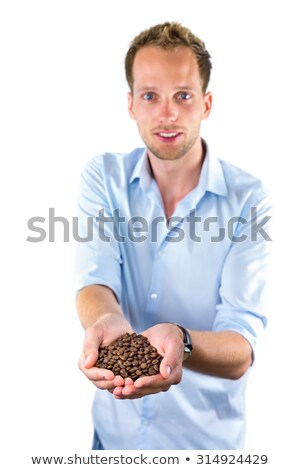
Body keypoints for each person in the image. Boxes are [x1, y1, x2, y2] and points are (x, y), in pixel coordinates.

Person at [75, 22, 272, 450]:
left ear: (207, 103)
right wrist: (107, 321)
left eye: (183, 96)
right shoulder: (103, 178)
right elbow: (95, 279)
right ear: (130, 104)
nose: (167, 114)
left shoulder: (248, 199)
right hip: (113, 440)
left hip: (204, 446)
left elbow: (242, 344)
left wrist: (180, 341)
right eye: (150, 96)